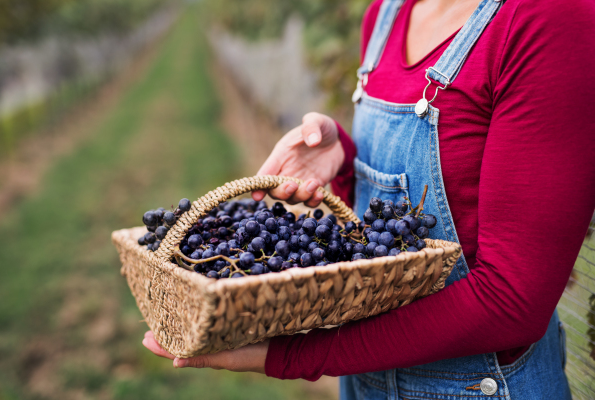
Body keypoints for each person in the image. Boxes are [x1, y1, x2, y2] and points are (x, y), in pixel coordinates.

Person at [143, 0, 595, 397]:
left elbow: (511, 303)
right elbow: (381, 240)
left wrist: (287, 354)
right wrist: (344, 160)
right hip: (365, 384)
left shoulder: (548, 18)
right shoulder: (386, 14)